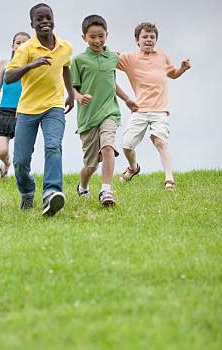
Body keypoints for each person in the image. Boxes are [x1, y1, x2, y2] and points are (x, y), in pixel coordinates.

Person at [5, 3, 74, 216]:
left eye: (48, 18)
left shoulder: (65, 47)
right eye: (40, 19)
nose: (45, 22)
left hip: (54, 106)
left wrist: (70, 93)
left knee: (53, 146)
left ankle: (52, 193)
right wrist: (31, 65)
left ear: (53, 20)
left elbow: (65, 68)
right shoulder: (26, 49)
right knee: (20, 161)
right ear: (32, 24)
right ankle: (27, 192)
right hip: (27, 110)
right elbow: (8, 77)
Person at [71, 14, 137, 206]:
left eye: (101, 36)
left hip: (110, 112)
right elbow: (72, 87)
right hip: (88, 117)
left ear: (107, 35)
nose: (97, 40)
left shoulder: (112, 57)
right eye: (92, 37)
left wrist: (127, 100)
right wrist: (78, 96)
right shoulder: (79, 60)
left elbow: (112, 83)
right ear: (84, 37)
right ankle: (83, 186)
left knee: (108, 146)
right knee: (90, 165)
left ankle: (106, 190)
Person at [117, 22, 191, 190]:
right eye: (145, 36)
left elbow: (173, 75)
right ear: (137, 40)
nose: (149, 40)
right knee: (127, 145)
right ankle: (133, 168)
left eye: (152, 37)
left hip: (160, 110)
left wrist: (182, 69)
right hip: (139, 109)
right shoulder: (128, 58)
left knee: (160, 141)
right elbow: (108, 58)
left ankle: (169, 180)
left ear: (156, 39)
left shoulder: (163, 56)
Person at [0, 31, 30, 179]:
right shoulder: (4, 63)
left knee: (21, 151)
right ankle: (6, 164)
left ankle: (21, 176)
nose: (21, 45)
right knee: (2, 151)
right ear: (12, 46)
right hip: (5, 110)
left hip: (24, 111)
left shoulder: (31, 65)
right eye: (18, 42)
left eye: (25, 43)